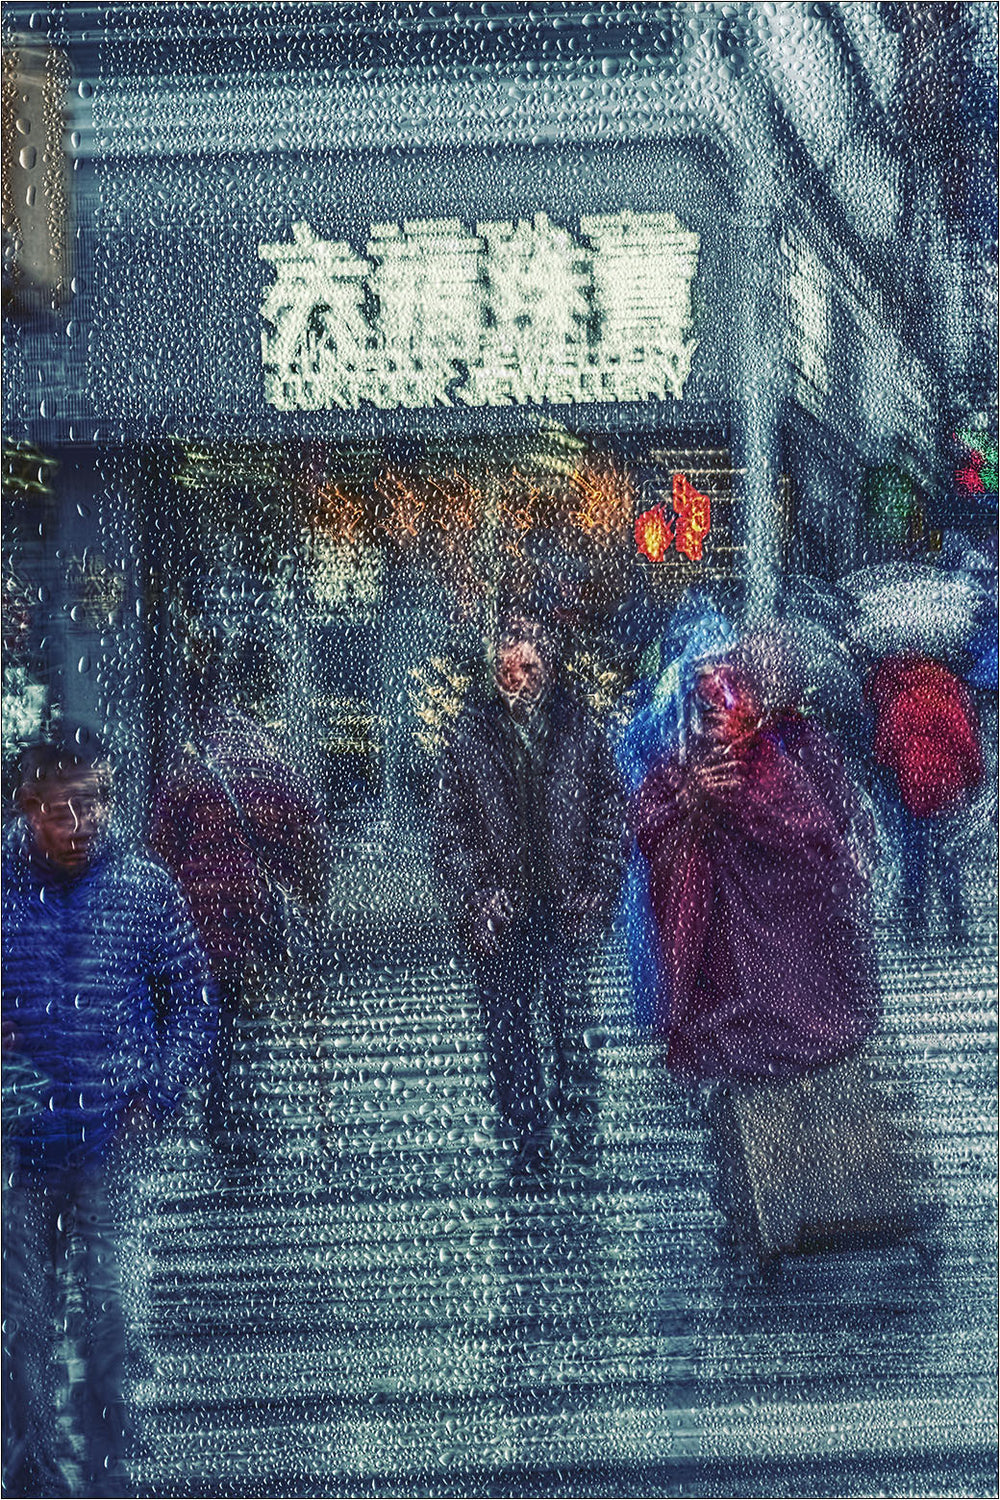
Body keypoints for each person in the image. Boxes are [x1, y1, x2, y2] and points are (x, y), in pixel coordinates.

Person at [630, 658, 913, 1269]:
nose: (720, 717)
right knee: (759, 1093)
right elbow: (655, 838)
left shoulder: (785, 758)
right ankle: (775, 1216)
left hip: (797, 975)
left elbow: (823, 845)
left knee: (807, 1088)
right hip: (741, 982)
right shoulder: (684, 774)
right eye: (707, 707)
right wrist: (693, 803)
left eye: (727, 700)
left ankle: (828, 1209)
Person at [2, 726, 216, 1497]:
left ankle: (113, 1458)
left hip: (111, 1138)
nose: (79, 824)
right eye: (60, 809)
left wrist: (156, 1094)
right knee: (21, 1326)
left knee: (114, 1314)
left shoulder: (141, 884)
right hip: (18, 1149)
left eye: (91, 803)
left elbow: (193, 1000)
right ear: (28, 809)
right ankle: (29, 1464)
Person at [434, 615, 626, 1177]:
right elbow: (450, 831)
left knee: (571, 1019)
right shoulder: (468, 737)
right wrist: (477, 897)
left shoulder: (579, 728)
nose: (523, 664)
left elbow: (608, 814)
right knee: (510, 1030)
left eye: (534, 651)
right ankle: (528, 1139)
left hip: (565, 906)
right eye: (512, 652)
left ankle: (581, 1124)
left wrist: (596, 885)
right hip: (504, 913)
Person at [149, 654, 329, 1152]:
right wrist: (309, 900)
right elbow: (306, 836)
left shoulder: (188, 768)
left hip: (198, 913)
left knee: (215, 1008)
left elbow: (161, 848)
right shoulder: (271, 761)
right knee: (241, 1007)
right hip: (252, 910)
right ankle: (235, 1106)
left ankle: (221, 1104)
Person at [866, 653, 984, 934]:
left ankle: (915, 922)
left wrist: (896, 765)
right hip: (948, 790)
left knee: (913, 856)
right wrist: (974, 778)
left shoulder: (902, 703)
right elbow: (966, 745)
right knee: (948, 856)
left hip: (912, 790)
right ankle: (955, 922)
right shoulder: (950, 703)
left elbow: (883, 750)